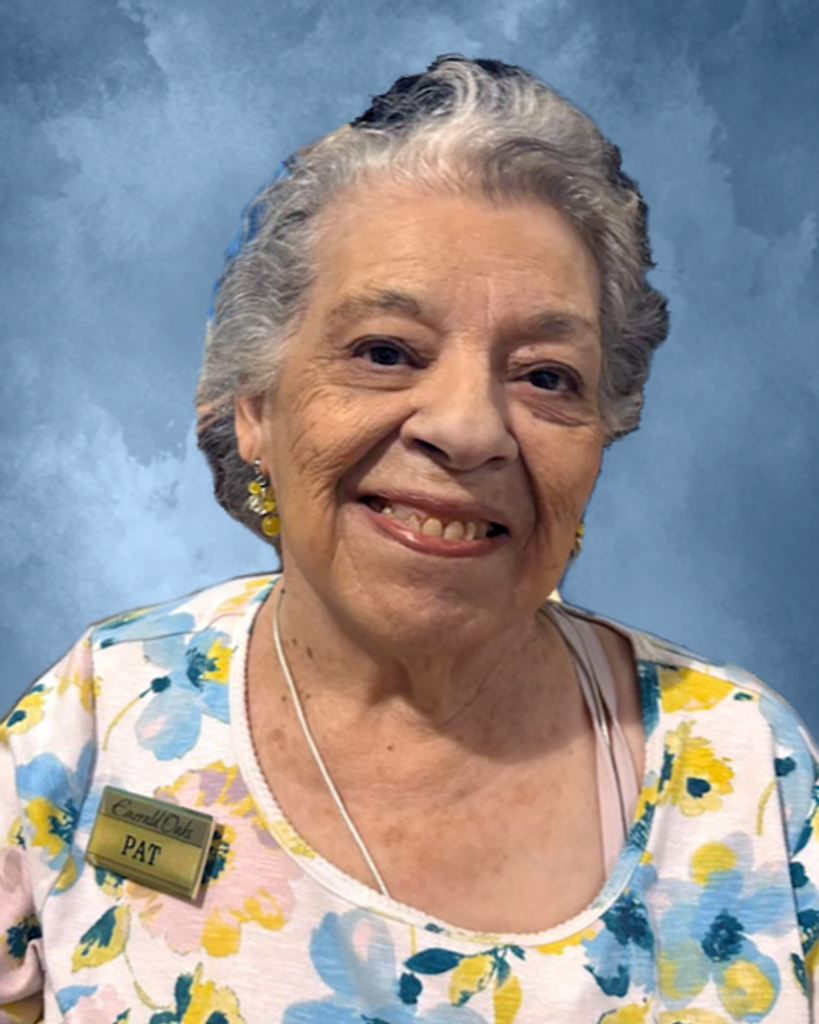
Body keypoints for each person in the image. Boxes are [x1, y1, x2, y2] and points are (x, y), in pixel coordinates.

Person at [1, 55, 817, 1024]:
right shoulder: (100, 713)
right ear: (254, 408)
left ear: (604, 431)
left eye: (546, 376)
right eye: (385, 351)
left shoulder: (745, 761)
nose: (468, 429)